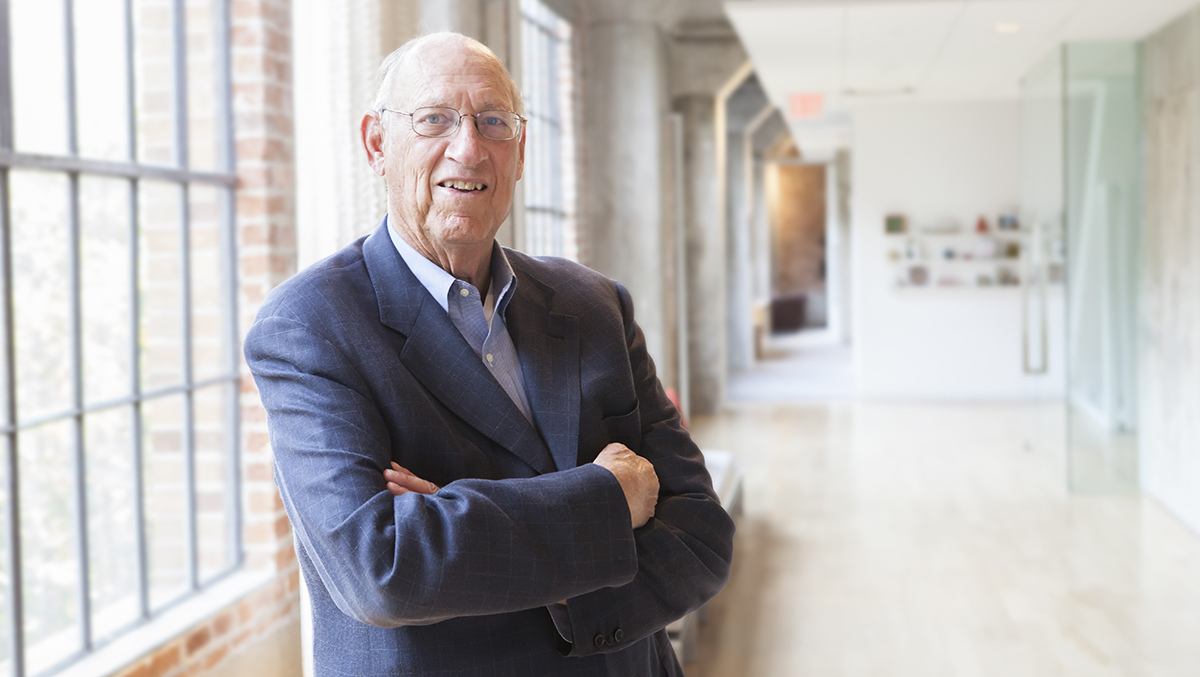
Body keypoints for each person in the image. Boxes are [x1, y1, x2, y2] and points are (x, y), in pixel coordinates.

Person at [244, 31, 734, 676]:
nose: (469, 148)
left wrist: (459, 526)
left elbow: (702, 537)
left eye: (493, 121)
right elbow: (384, 570)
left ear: (521, 150)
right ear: (376, 144)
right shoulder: (310, 325)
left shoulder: (594, 305)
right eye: (434, 120)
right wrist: (610, 500)